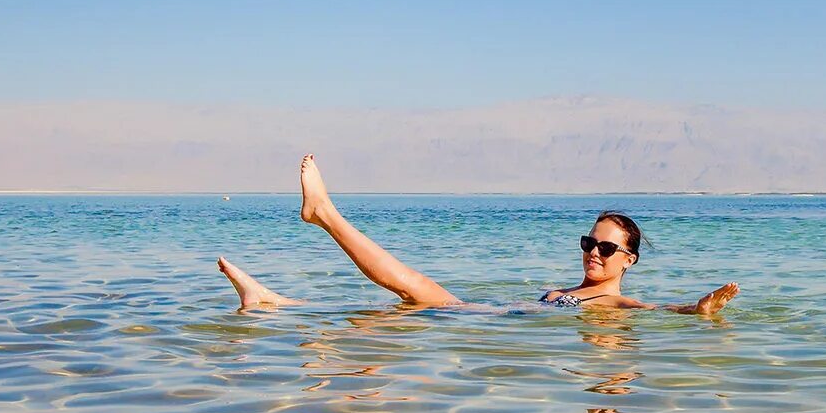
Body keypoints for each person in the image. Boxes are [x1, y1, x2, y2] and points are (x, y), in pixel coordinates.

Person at [216, 155, 739, 315]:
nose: (594, 254)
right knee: (398, 307)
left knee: (410, 287)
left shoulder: (616, 304)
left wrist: (698, 310)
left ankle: (326, 215)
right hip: (485, 316)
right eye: (589, 243)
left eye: (606, 248)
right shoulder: (572, 292)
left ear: (628, 261)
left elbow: (660, 313)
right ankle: (274, 300)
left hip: (481, 325)